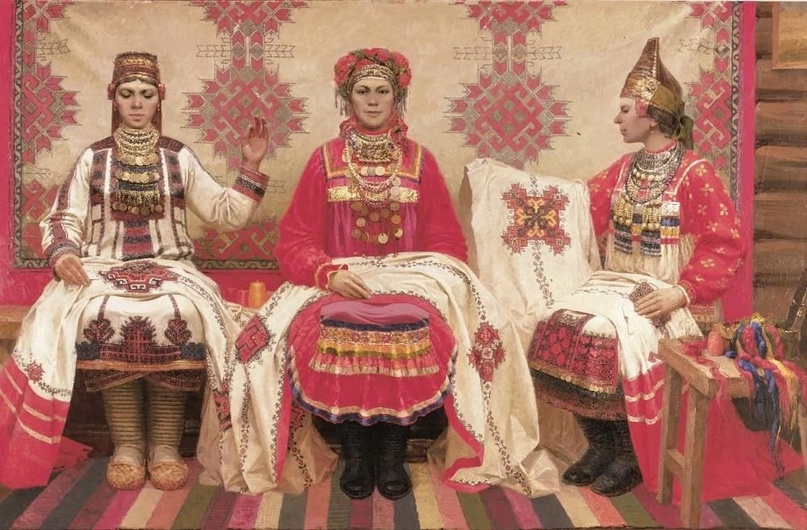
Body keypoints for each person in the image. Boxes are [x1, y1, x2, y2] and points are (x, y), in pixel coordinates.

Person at [197, 47, 559, 500]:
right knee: (312, 332)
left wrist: (425, 282)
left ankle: (391, 452)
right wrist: (327, 273)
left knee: (419, 327)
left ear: (397, 97)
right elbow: (295, 241)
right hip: (337, 283)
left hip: (410, 284)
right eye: (363, 91)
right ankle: (355, 451)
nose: (372, 100)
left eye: (382, 92)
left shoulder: (421, 161)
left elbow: (447, 242)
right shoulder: (324, 159)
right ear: (347, 98)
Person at [0, 51, 271, 491]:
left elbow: (226, 213)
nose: (137, 103)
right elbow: (63, 217)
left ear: (159, 98)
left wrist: (251, 166)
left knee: (183, 313)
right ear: (114, 98)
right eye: (128, 94)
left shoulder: (178, 157)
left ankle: (164, 447)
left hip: (171, 269)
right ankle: (126, 445)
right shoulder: (94, 158)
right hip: (102, 270)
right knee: (99, 314)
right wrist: (64, 254)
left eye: (146, 94)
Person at [527, 38, 750, 497]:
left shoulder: (695, 172)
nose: (617, 119)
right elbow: (575, 207)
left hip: (671, 296)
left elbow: (725, 242)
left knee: (604, 336)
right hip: (615, 285)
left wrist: (681, 292)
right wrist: (517, 196)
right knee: (557, 321)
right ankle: (601, 445)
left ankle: (629, 453)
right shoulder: (624, 169)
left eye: (625, 110)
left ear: (650, 115)